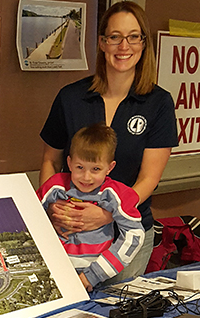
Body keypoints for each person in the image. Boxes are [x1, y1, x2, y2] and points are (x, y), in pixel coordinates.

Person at [39, 1, 178, 283]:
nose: (123, 46)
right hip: (69, 235)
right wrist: (52, 210)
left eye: (133, 36)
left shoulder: (158, 103)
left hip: (124, 240)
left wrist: (107, 215)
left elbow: (149, 178)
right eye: (114, 37)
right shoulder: (71, 97)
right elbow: (50, 161)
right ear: (102, 43)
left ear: (143, 42)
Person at [37, 124, 145, 291]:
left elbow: (135, 235)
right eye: (80, 167)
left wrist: (93, 275)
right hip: (53, 273)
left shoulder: (115, 194)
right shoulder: (56, 186)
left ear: (110, 168)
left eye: (96, 169)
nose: (86, 177)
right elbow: (28, 216)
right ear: (69, 163)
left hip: (96, 280)